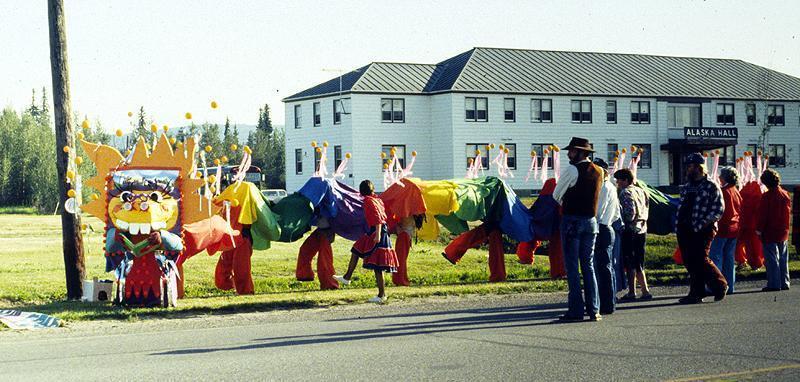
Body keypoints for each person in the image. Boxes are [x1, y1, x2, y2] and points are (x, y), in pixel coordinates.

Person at [553, 137, 603, 321]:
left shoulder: (572, 169)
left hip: (572, 220)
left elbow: (556, 195)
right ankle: (594, 309)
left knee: (573, 267)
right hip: (591, 221)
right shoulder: (599, 171)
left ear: (581, 152)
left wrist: (568, 201)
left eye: (572, 151)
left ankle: (575, 310)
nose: (568, 153)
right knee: (588, 266)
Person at [334, 180, 400, 303]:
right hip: (374, 231)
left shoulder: (369, 201)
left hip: (377, 232)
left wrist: (378, 235)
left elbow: (378, 218)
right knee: (356, 249)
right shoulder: (377, 199)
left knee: (378, 265)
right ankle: (347, 277)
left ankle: (381, 295)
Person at [676, 153, 727, 304]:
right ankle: (696, 292)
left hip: (703, 228)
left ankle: (720, 285)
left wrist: (706, 222)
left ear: (699, 167)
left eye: (690, 166)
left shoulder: (711, 185)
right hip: (685, 228)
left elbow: (718, 208)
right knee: (690, 261)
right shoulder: (686, 187)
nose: (688, 169)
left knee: (701, 258)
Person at [614, 168, 652, 301]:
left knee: (630, 261)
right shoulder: (642, 191)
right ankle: (645, 290)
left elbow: (630, 212)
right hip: (642, 228)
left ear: (625, 180)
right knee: (639, 261)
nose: (617, 182)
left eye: (619, 180)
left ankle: (632, 291)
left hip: (631, 230)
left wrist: (624, 221)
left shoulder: (625, 192)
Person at [592, 158, 621, 315]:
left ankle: (606, 304)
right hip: (609, 227)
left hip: (601, 228)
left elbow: (598, 211)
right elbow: (616, 213)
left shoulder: (603, 187)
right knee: (607, 267)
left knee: (602, 268)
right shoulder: (612, 187)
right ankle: (610, 302)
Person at [756, 169, 791, 292]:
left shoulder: (767, 196)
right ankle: (784, 281)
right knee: (782, 257)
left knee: (771, 259)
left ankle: (774, 283)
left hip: (770, 230)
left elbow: (763, 215)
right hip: (783, 229)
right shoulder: (785, 194)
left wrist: (759, 230)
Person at [709, 167, 742, 294]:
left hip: (723, 228)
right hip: (734, 228)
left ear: (724, 177)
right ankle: (730, 285)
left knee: (716, 257)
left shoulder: (723, 191)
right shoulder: (736, 191)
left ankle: (717, 285)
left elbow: (721, 211)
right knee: (729, 258)